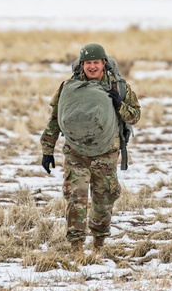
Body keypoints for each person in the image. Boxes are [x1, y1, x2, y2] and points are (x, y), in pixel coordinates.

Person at [40, 43, 141, 252]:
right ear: (82, 64)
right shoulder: (69, 87)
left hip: (106, 153)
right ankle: (76, 246)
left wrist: (118, 105)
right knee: (76, 197)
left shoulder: (118, 87)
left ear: (103, 63)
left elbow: (135, 116)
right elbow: (55, 118)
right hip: (76, 152)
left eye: (96, 62)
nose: (92, 67)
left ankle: (99, 244)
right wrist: (47, 150)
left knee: (103, 200)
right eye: (88, 63)